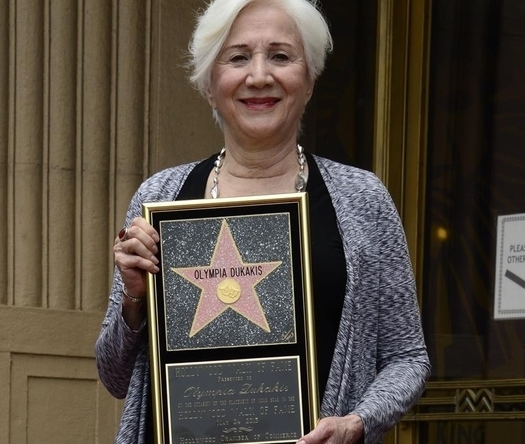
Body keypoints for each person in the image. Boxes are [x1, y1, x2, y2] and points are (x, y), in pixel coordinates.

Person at [95, 0, 430, 442]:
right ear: (210, 84)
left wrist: (359, 421)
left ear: (308, 80)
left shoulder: (362, 199)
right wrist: (134, 302)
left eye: (280, 55)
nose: (258, 76)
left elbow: (407, 357)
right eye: (237, 57)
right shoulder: (161, 196)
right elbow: (115, 376)